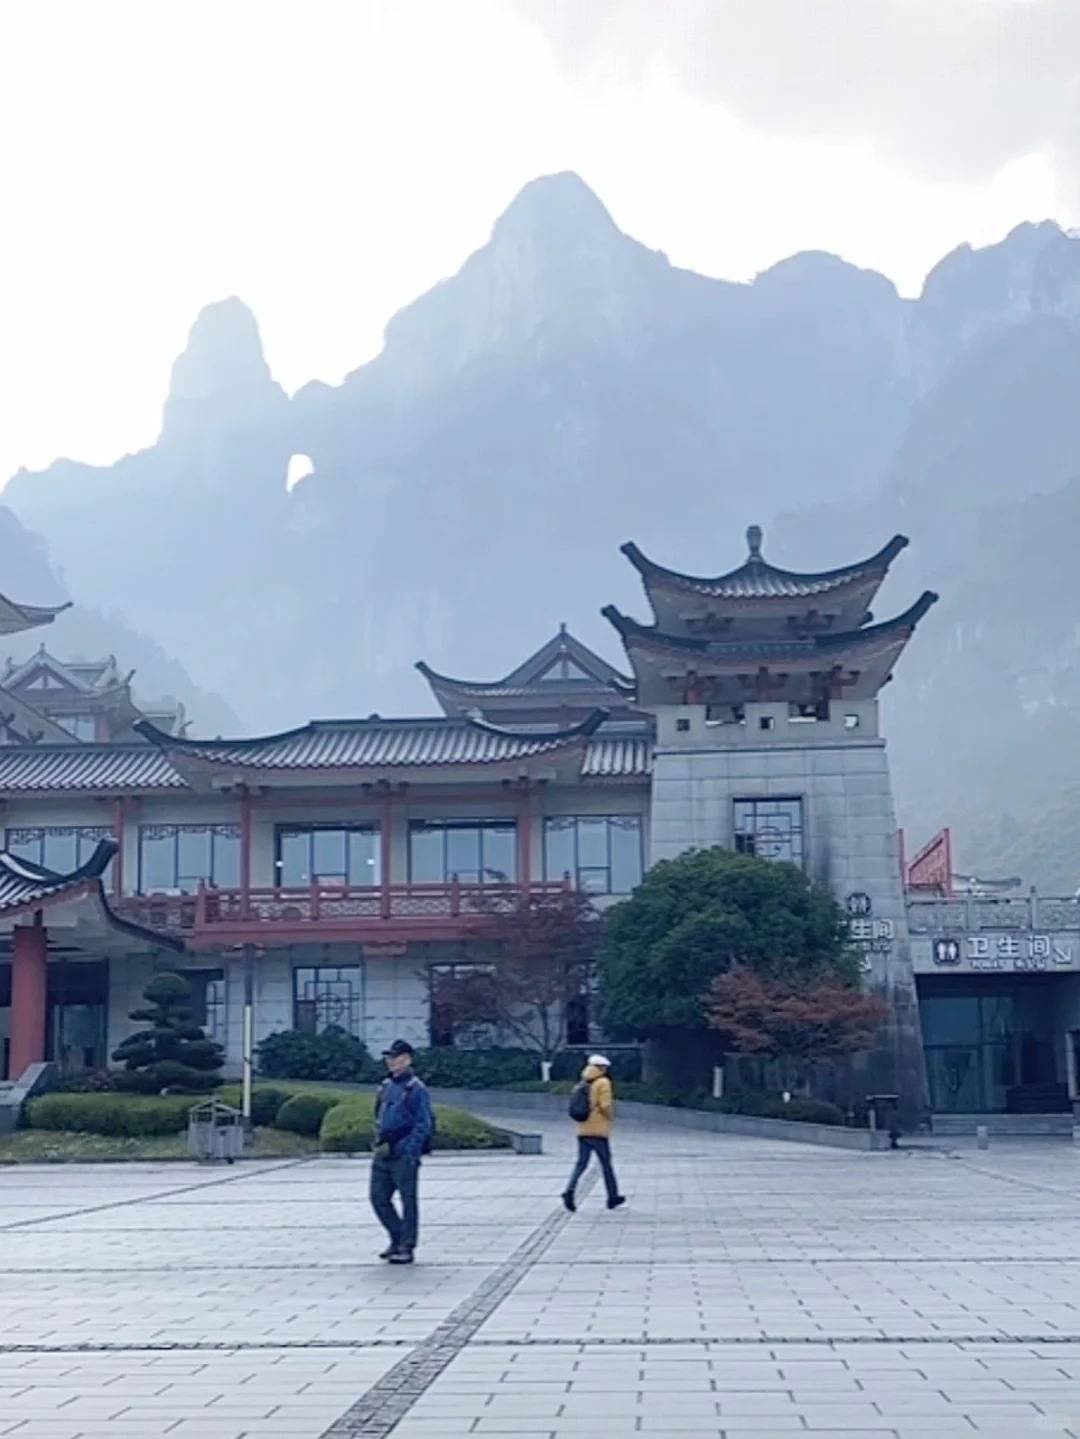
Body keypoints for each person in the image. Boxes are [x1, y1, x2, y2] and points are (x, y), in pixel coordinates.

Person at [370, 1039, 433, 1264]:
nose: (391, 1062)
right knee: (378, 1198)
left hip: (404, 1153)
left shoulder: (416, 1089)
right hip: (384, 1151)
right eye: (389, 1058)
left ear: (407, 1060)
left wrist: (409, 1150)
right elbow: (378, 1115)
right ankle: (396, 1236)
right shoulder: (386, 1086)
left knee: (408, 1201)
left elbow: (424, 1123)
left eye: (395, 1058)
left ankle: (407, 1245)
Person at [562, 1053, 625, 1212]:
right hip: (598, 1129)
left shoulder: (584, 1082)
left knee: (581, 1163)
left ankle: (569, 1191)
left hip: (583, 1128)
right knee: (606, 1164)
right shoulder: (603, 1082)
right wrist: (611, 1117)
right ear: (602, 1068)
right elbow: (605, 1105)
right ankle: (612, 1197)